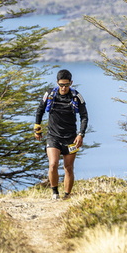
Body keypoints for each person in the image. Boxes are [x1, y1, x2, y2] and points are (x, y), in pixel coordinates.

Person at [34, 69, 88, 200]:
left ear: (71, 83)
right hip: (53, 136)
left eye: (67, 85)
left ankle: (67, 195)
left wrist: (81, 134)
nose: (64, 88)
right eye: (61, 85)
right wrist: (37, 127)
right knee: (53, 164)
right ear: (57, 83)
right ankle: (54, 193)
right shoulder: (49, 94)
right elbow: (40, 110)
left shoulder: (76, 96)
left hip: (71, 137)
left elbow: (84, 116)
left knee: (68, 167)